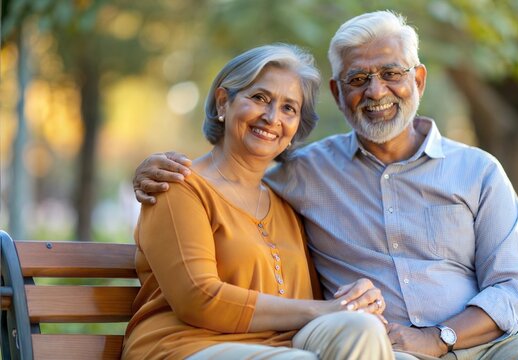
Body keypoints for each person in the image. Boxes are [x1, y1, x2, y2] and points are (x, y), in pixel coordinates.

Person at [132, 12, 518, 360]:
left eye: (391, 74)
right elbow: (230, 168)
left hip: (493, 346)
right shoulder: (299, 173)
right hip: (386, 350)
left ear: (420, 80)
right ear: (337, 94)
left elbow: (513, 290)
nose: (376, 91)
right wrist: (152, 169)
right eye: (358, 78)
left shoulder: (479, 172)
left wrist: (439, 338)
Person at [122, 43, 396, 360]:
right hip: (185, 346)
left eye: (288, 108)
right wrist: (323, 309)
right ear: (223, 102)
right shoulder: (178, 187)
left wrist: (356, 302)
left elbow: (310, 301)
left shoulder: (285, 204)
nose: (271, 117)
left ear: (294, 130)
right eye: (260, 98)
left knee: (365, 331)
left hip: (279, 348)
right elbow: (198, 298)